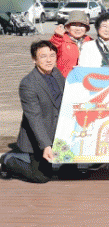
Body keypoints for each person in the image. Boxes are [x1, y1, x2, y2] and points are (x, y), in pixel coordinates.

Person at [0, 41, 65, 183]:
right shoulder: (28, 84)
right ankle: (9, 161)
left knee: (70, 172)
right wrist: (46, 145)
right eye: (43, 56)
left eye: (52, 55)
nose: (49, 60)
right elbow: (35, 119)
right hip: (38, 137)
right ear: (34, 60)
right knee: (41, 177)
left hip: (57, 132)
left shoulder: (57, 74)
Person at [50, 10, 91, 77]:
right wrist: (57, 37)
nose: (78, 29)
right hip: (65, 79)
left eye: (81, 25)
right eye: (74, 25)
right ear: (68, 27)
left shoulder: (90, 41)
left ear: (86, 28)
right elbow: (50, 50)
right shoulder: (60, 39)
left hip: (85, 79)